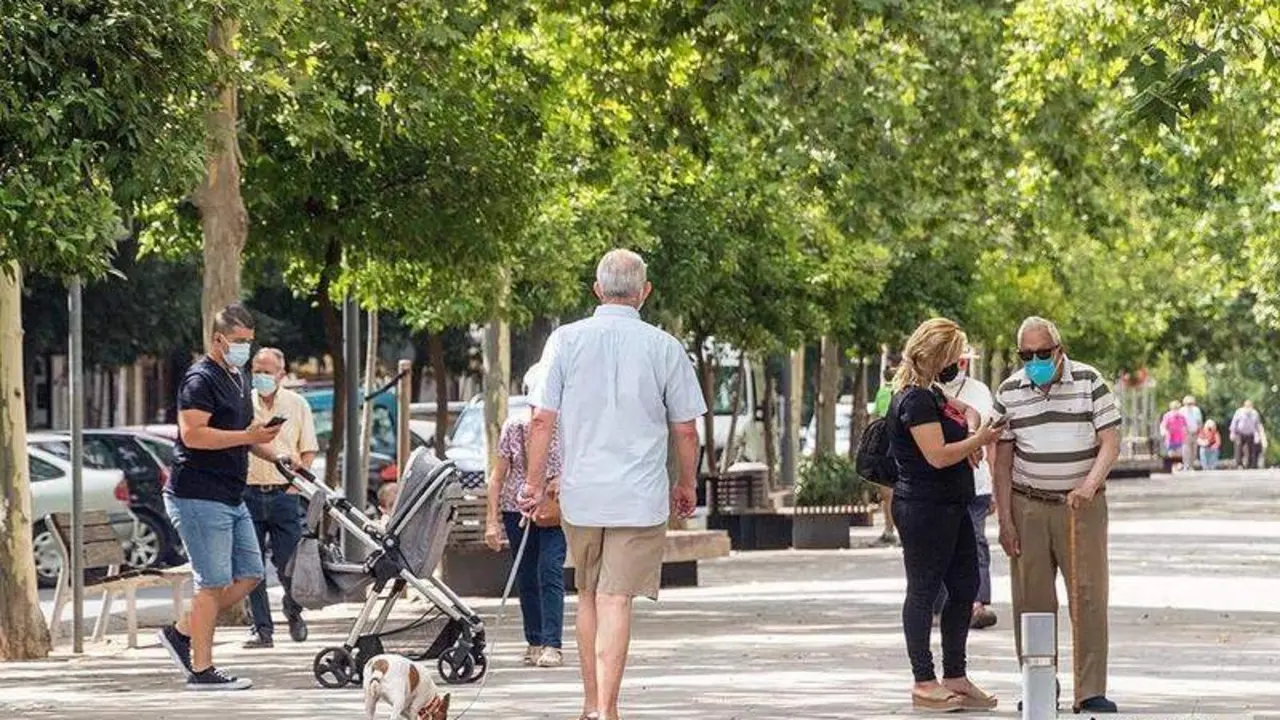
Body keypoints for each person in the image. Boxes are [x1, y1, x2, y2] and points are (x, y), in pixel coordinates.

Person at [521, 249, 706, 720]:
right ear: (645, 292)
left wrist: (534, 483)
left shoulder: (564, 341)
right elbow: (686, 430)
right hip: (640, 498)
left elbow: (541, 420)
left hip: (583, 495)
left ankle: (588, 704)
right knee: (615, 598)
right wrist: (687, 483)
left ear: (597, 290)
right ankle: (609, 708)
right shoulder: (665, 347)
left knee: (586, 594)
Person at [993, 316, 1122, 714]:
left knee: (1088, 595)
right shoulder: (1010, 391)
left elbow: (1110, 441)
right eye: (1026, 355)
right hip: (1027, 503)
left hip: (1080, 505)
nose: (1034, 361)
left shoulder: (1089, 381)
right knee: (1032, 599)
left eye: (1042, 353)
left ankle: (1090, 690)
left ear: (1059, 350)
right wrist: (1004, 520)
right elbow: (1000, 461)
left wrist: (1089, 484)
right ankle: (1039, 685)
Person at [158, 304, 283, 690]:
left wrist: (278, 456)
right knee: (211, 583)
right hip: (197, 494)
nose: (245, 348)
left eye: (250, 341)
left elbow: (244, 430)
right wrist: (249, 437)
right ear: (218, 339)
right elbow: (193, 434)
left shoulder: (238, 377)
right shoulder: (200, 378)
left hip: (230, 494)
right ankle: (201, 671)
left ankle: (182, 633)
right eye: (240, 342)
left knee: (250, 574)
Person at [886, 318, 1001, 713]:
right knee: (923, 590)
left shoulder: (935, 394)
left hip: (954, 505)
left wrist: (971, 435)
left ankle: (955, 673)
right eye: (955, 355)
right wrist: (980, 441)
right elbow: (935, 456)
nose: (959, 362)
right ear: (938, 355)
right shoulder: (914, 399)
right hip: (924, 507)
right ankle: (923, 679)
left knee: (965, 584)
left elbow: (967, 412)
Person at [484, 363, 568, 669]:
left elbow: (577, 466)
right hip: (515, 509)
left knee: (550, 571)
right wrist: (491, 521)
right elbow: (497, 477)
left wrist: (562, 480)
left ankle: (552, 644)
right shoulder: (514, 427)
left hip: (553, 510)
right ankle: (534, 639)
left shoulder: (566, 425)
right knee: (526, 575)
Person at [242, 347, 318, 649]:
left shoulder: (297, 404)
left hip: (283, 494)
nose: (261, 376)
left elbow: (308, 449)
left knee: (288, 562)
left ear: (281, 374)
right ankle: (261, 629)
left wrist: (295, 486)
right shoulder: (242, 404)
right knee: (251, 566)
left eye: (267, 371)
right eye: (256, 370)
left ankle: (293, 609)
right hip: (248, 492)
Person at [933, 347, 999, 631]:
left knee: (974, 541)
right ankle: (940, 602)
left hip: (976, 481)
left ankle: (976, 602)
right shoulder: (927, 391)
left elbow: (991, 438)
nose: (955, 365)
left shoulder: (979, 391)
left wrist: (996, 484)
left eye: (960, 360)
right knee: (939, 544)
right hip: (937, 482)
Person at [871, 351, 903, 547]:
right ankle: (899, 531)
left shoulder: (883, 392)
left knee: (887, 493)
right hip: (902, 448)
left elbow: (875, 419)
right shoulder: (905, 392)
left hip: (885, 447)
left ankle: (889, 529)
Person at [1231, 400, 1264, 470]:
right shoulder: (1239, 412)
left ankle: (1250, 464)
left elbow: (1257, 425)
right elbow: (1234, 423)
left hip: (1250, 434)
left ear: (1252, 407)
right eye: (1247, 407)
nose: (1249, 408)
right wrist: (1232, 433)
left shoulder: (1255, 413)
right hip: (1239, 433)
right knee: (1238, 448)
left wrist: (1257, 435)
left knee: (1251, 449)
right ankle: (1239, 464)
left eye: (1250, 407)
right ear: (1244, 406)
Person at [1160, 401, 1187, 472]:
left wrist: (1185, 433)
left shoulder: (1182, 416)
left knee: (1179, 452)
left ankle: (1178, 465)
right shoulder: (1167, 416)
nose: (1176, 410)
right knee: (1171, 453)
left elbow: (1185, 426)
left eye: (1177, 408)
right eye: (1174, 408)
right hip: (1170, 437)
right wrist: (1165, 432)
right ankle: (1173, 466)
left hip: (1179, 437)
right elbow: (1163, 426)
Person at [1181, 396, 1203, 470]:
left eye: (1191, 403)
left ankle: (1191, 465)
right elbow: (1181, 422)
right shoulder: (1182, 410)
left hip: (1195, 432)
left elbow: (1199, 421)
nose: (1189, 405)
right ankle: (1186, 464)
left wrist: (1199, 430)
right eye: (1188, 403)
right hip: (1186, 433)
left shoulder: (1196, 410)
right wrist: (1185, 430)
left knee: (1194, 450)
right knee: (1186, 449)